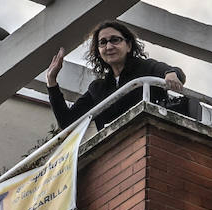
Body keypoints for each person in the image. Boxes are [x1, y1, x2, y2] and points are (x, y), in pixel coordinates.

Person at [44, 20, 198, 130]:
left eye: (115, 40)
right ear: (98, 51)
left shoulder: (145, 68)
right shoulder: (98, 88)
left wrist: (171, 74)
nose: (109, 46)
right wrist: (52, 82)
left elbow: (174, 72)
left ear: (129, 45)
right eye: (102, 42)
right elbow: (67, 122)